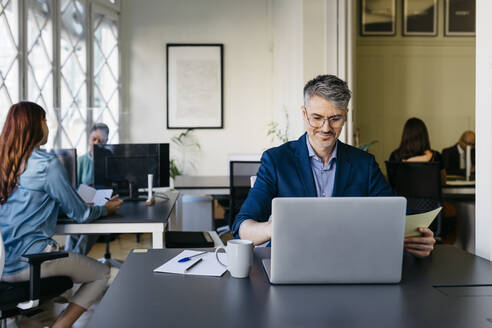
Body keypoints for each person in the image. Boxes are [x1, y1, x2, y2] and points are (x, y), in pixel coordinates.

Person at [232, 75, 435, 258]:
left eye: (335, 118)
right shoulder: (276, 161)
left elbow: (394, 213)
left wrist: (417, 235)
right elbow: (242, 226)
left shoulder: (363, 164)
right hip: (292, 259)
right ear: (304, 114)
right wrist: (272, 228)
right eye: (317, 118)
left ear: (345, 115)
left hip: (351, 260)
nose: (326, 128)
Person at [0, 102, 123, 328]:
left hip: (2, 265)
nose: (48, 126)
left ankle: (33, 319)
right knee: (101, 274)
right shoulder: (45, 165)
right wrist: (105, 208)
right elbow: (82, 213)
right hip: (32, 261)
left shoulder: (4, 164)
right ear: (36, 125)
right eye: (45, 120)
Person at [388, 117, 446, 236]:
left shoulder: (395, 157)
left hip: (403, 213)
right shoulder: (436, 157)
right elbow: (443, 181)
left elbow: (392, 185)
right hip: (431, 214)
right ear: (425, 136)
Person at [66, 122, 110, 255]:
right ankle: (67, 258)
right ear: (89, 140)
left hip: (103, 204)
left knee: (90, 226)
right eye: (94, 139)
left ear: (106, 141)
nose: (97, 143)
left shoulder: (110, 159)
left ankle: (74, 260)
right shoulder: (80, 161)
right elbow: (73, 187)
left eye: (101, 140)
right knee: (76, 228)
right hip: (83, 204)